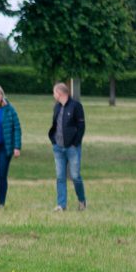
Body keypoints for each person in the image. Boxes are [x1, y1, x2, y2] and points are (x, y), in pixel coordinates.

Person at [48, 82, 87, 211]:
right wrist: (53, 140)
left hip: (72, 148)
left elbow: (81, 127)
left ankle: (82, 201)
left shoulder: (76, 106)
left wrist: (75, 143)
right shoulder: (57, 107)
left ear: (59, 93)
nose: (53, 95)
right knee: (60, 177)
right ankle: (61, 205)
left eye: (54, 93)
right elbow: (55, 125)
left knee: (75, 176)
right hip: (58, 148)